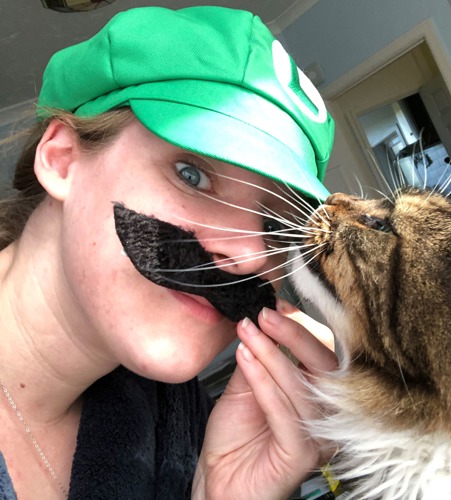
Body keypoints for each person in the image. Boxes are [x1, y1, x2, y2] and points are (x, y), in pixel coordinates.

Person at [0, 6, 338, 499]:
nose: (248, 257)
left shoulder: (185, 431)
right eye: (192, 175)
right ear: (62, 161)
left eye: (275, 225)